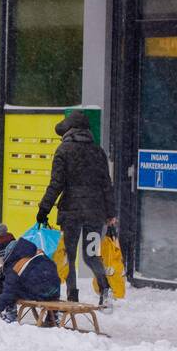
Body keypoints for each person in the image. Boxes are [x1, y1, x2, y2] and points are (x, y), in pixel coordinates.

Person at [37, 110, 116, 307]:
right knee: (91, 254)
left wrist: (44, 208)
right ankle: (105, 289)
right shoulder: (98, 152)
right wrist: (111, 213)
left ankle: (72, 296)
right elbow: (107, 184)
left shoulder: (63, 150)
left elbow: (56, 184)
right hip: (95, 214)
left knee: (69, 255)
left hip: (71, 212)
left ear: (69, 129)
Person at [0, 224, 62, 321]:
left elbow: (7, 294)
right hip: (54, 291)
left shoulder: (13, 266)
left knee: (3, 282)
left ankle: (10, 313)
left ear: (3, 254)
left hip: (41, 293)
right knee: (36, 279)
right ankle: (53, 315)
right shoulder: (32, 249)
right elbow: (52, 270)